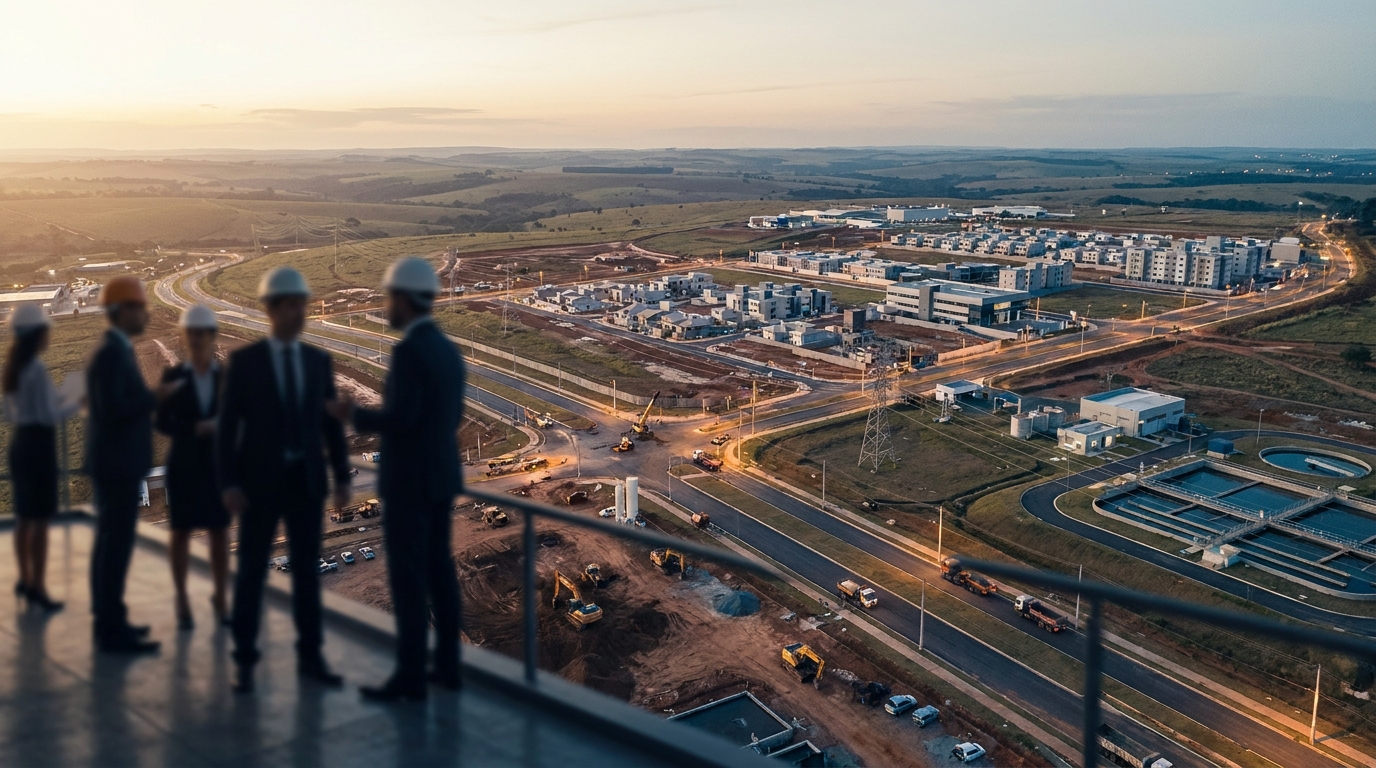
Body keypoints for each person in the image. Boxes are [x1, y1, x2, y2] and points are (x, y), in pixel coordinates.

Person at [330, 257, 465, 702]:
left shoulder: (409, 352)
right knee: (441, 573)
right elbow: (441, 418)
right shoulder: (449, 351)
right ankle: (447, 667)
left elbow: (402, 419)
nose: (385, 304)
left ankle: (410, 677)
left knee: (408, 582)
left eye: (389, 296)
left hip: (410, 482)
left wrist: (353, 413)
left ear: (405, 299)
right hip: (442, 476)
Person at [218, 266, 351, 693]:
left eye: (302, 304)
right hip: (258, 485)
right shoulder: (244, 363)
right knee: (253, 573)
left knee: (308, 576)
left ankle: (310, 659)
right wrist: (228, 482)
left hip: (305, 483)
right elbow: (225, 430)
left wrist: (342, 478)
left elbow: (331, 426)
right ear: (273, 309)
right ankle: (243, 662)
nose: (299, 312)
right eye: (291, 304)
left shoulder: (317, 362)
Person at [86, 276, 164, 653]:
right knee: (113, 549)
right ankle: (110, 631)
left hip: (117, 464)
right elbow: (113, 410)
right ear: (121, 310)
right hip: (115, 465)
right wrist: (155, 398)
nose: (145, 314)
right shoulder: (110, 353)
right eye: (140, 307)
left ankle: (112, 625)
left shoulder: (117, 350)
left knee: (114, 547)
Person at [155, 304, 229, 631]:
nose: (197, 339)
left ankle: (220, 597)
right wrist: (193, 430)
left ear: (211, 336)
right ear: (185, 336)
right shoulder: (173, 377)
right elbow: (161, 421)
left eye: (202, 333)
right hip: (184, 467)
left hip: (215, 467)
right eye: (192, 333)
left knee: (219, 535)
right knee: (181, 535)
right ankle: (182, 599)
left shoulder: (226, 378)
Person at [3, 303, 81, 613]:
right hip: (39, 447)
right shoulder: (35, 368)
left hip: (21, 444)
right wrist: (77, 400)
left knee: (25, 519)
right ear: (37, 334)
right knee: (41, 521)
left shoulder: (14, 368)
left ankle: (24, 579)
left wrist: (58, 398)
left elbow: (15, 411)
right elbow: (50, 414)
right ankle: (38, 587)